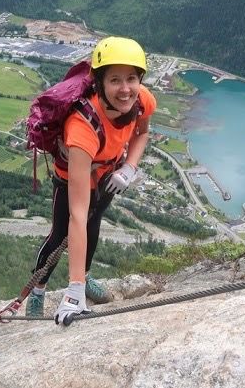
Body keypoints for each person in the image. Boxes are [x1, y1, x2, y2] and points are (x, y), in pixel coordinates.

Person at [25, 36, 157, 324]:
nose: (125, 89)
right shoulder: (82, 127)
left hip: (110, 173)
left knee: (94, 225)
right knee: (61, 234)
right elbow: (77, 214)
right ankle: (39, 289)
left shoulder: (141, 99)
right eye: (115, 80)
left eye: (132, 78)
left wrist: (129, 168)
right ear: (99, 82)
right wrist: (74, 293)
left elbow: (142, 133)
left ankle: (84, 275)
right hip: (72, 176)